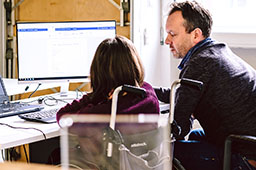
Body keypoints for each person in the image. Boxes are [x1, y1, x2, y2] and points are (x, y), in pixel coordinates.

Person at [155, 1, 256, 169]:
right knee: (196, 135)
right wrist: (146, 89)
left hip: (245, 158)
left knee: (166, 151)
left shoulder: (199, 64)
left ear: (195, 35)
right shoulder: (217, 52)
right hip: (246, 143)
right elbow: (182, 93)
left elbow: (179, 128)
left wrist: (143, 132)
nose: (167, 40)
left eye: (173, 34)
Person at [56, 35, 160, 122]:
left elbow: (63, 116)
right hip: (140, 147)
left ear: (99, 73)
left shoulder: (103, 112)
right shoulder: (148, 94)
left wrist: (94, 96)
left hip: (104, 147)